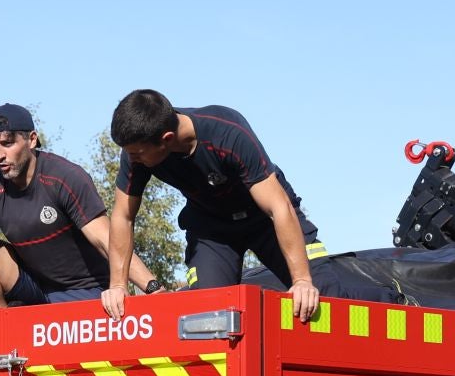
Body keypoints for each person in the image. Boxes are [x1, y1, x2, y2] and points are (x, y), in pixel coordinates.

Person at [0, 103, 158, 333]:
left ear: (32, 139)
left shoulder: (64, 177)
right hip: (35, 288)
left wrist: (154, 289)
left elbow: (106, 240)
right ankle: (0, 330)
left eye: (7, 143)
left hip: (86, 290)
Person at [105, 89, 322, 322]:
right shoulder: (137, 152)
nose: (132, 159)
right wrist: (118, 285)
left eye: (137, 154)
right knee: (206, 316)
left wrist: (301, 281)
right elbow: (123, 216)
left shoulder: (227, 134)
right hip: (212, 227)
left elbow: (278, 207)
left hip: (264, 219)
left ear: (166, 139)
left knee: (319, 294)